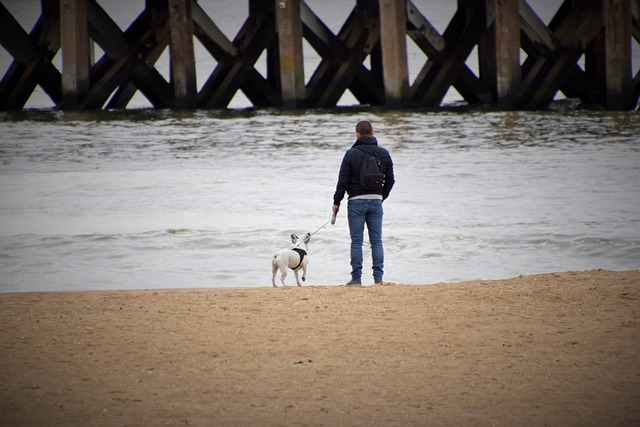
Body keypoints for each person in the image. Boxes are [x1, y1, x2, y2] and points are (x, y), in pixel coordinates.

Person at [332, 120, 395, 285]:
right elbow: (391, 180)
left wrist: (336, 201)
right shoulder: (384, 153)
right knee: (376, 241)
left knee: (356, 241)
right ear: (373, 134)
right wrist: (381, 196)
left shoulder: (351, 154)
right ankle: (378, 279)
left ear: (357, 134)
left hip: (355, 202)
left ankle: (356, 279)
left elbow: (342, 181)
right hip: (376, 201)